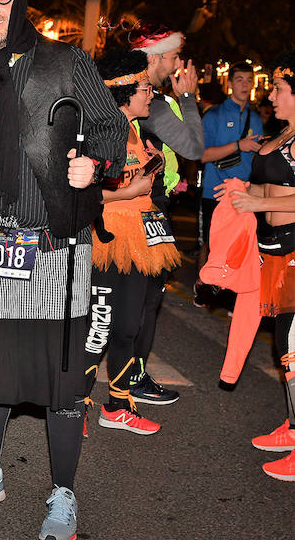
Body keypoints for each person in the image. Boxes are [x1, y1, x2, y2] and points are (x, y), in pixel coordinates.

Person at [0, 0, 126, 540]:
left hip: (54, 245)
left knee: (63, 379)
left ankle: (64, 491)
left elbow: (112, 131)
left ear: (19, 2)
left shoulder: (66, 62)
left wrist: (93, 165)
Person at [85, 49, 181, 436]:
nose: (150, 93)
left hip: (142, 239)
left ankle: (118, 403)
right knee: (98, 329)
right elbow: (81, 193)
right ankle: (75, 408)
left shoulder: (137, 130)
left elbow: (137, 180)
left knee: (128, 327)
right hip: (107, 239)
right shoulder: (102, 131)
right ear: (123, 91)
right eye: (144, 87)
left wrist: (153, 165)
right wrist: (132, 191)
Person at [125, 24, 204, 405]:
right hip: (145, 211)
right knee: (142, 302)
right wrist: (187, 98)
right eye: (173, 57)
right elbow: (192, 147)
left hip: (136, 207)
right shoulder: (150, 103)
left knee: (133, 301)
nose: (176, 66)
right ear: (154, 58)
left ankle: (123, 380)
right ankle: (130, 380)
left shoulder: (136, 96)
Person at [225, 52, 295, 481]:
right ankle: (291, 427)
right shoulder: (283, 133)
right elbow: (268, 180)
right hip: (273, 251)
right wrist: (239, 191)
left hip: (294, 252)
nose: (271, 94)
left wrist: (258, 202)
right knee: (283, 344)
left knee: (293, 347)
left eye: (280, 89)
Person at [196, 62, 264, 308]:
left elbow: (256, 158)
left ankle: (232, 293)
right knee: (210, 242)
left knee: (241, 244)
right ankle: (202, 286)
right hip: (215, 189)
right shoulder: (214, 115)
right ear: (230, 83)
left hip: (245, 192)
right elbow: (201, 155)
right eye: (239, 80)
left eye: (249, 80)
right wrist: (239, 145)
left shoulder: (256, 118)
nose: (245, 85)